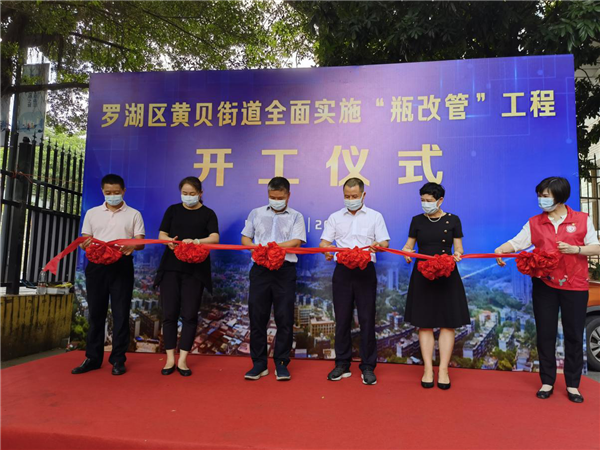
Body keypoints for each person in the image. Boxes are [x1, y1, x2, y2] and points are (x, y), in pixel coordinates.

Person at [495, 177, 600, 403]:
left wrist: (576, 249)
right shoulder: (535, 222)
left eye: (545, 196)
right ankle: (547, 381)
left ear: (560, 197)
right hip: (545, 285)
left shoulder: (582, 219)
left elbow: (596, 247)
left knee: (574, 334)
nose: (541, 200)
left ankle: (572, 385)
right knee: (545, 334)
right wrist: (501, 249)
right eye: (540, 196)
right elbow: (517, 243)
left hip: (575, 285)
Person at [319, 177, 390, 385]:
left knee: (367, 319)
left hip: (365, 271)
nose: (351, 200)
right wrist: (326, 250)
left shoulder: (375, 216)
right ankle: (342, 363)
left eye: (354, 196)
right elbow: (324, 242)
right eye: (347, 196)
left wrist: (378, 245)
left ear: (363, 195)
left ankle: (368, 366)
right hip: (342, 271)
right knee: (342, 318)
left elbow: (385, 241)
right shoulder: (335, 217)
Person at [72, 174, 145, 376]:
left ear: (124, 191)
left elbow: (140, 241)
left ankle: (118, 359)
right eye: (108, 192)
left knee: (121, 314)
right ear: (102, 191)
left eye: (116, 192)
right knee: (96, 313)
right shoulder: (92, 213)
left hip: (122, 265)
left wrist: (132, 246)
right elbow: (85, 239)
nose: (112, 195)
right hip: (96, 266)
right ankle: (92, 358)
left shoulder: (134, 214)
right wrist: (86, 244)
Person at [402, 182, 469, 390]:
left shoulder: (453, 220)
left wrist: (457, 255)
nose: (425, 204)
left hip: (447, 274)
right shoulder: (416, 220)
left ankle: (444, 370)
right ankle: (428, 369)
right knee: (425, 323)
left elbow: (459, 248)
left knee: (447, 323)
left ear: (440, 200)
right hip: (423, 275)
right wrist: (406, 253)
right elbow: (409, 245)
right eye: (422, 200)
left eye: (429, 200)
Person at [241, 177, 306, 381]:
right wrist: (256, 248)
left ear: (288, 195)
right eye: (272, 197)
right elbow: (245, 238)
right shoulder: (256, 213)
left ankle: (281, 363)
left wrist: (273, 247)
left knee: (284, 317)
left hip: (284, 271)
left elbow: (296, 242)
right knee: (257, 317)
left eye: (280, 197)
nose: (276, 200)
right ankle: (259, 364)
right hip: (260, 270)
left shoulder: (296, 216)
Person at [156, 177, 219, 376]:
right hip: (171, 267)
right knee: (169, 314)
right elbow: (161, 234)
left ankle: (183, 360)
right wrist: (169, 241)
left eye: (192, 194)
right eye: (185, 193)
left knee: (190, 315)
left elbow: (215, 237)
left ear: (201, 193)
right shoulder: (172, 210)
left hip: (195, 270)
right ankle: (169, 359)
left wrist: (197, 241)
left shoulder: (208, 214)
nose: (188, 197)